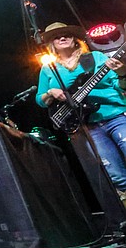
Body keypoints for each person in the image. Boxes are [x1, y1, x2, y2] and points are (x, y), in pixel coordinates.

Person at [35, 22, 126, 202]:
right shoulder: (48, 69)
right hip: (88, 126)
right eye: (57, 36)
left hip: (114, 115)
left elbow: (118, 84)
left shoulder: (95, 57)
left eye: (66, 35)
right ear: (51, 44)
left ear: (75, 40)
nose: (62, 38)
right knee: (115, 173)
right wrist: (50, 93)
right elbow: (40, 100)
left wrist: (122, 72)